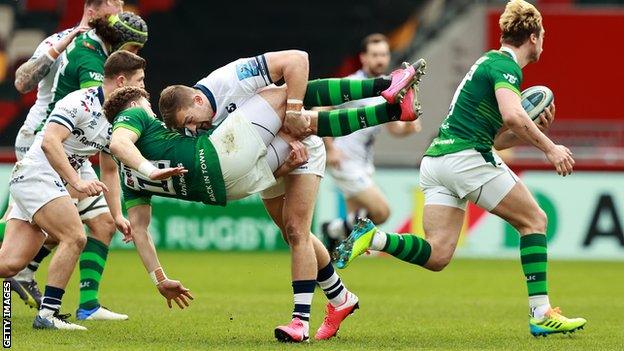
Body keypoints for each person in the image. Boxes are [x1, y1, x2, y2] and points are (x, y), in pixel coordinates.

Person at [104, 50, 425, 341]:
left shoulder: (226, 81)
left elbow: (297, 60)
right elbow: (139, 221)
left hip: (294, 147)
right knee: (294, 233)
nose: (191, 130)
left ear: (199, 102)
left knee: (288, 103)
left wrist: (296, 110)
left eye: (189, 122)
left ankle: (300, 321)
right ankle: (340, 298)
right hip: (255, 157)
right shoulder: (151, 122)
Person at [334, 0, 587, 337]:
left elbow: (498, 138)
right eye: (543, 34)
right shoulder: (506, 67)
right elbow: (512, 116)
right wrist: (550, 148)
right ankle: (541, 313)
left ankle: (373, 237)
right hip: (466, 159)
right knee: (535, 221)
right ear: (534, 37)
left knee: (438, 254)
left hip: (437, 160)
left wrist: (534, 131)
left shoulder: (488, 63)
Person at [0, 51, 145, 330]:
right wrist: (76, 182)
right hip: (36, 175)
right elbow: (50, 142)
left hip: (43, 182)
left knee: (9, 264)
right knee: (74, 236)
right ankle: (47, 316)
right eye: (139, 81)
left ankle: (52, 313)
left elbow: (110, 170)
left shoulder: (117, 118)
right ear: (121, 80)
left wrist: (116, 214)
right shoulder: (80, 101)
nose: (142, 87)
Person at [3, 0, 124, 311]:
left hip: (71, 150)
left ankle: (87, 305)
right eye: (116, 4)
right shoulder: (69, 43)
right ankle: (25, 273)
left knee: (101, 223)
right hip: (43, 140)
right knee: (63, 230)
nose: (122, 10)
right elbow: (21, 82)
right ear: (93, 9)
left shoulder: (102, 49)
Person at [321, 33, 423, 250]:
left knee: (356, 230)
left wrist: (409, 126)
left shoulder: (386, 89)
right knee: (382, 212)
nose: (380, 59)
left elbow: (395, 129)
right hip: (344, 160)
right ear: (363, 58)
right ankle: (331, 229)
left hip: (364, 164)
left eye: (384, 54)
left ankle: (332, 250)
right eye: (375, 54)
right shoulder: (351, 84)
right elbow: (320, 109)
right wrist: (330, 149)